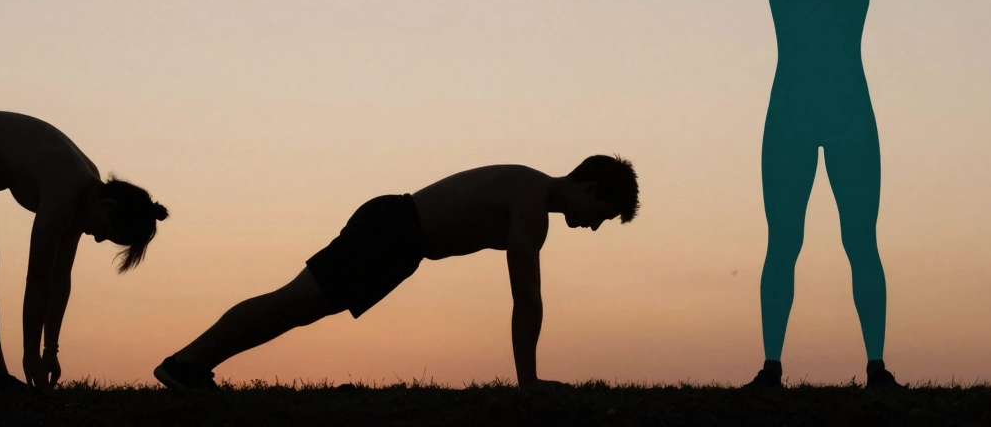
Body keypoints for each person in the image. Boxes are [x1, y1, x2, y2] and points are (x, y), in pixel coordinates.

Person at [695, 0, 940, 389]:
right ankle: (775, 365)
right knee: (787, 242)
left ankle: (875, 365)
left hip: (845, 113)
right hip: (797, 114)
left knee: (859, 241)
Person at [153, 156, 639, 389]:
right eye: (604, 213)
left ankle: (192, 367)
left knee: (296, 310)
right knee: (291, 303)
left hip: (399, 242)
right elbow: (526, 298)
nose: (596, 226)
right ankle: (186, 364)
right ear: (591, 188)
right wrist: (529, 383)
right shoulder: (531, 202)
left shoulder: (531, 193)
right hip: (394, 229)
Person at [0, 110, 168, 392]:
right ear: (108, 206)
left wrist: (50, 350)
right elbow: (38, 278)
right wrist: (31, 355)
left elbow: (59, 277)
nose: (99, 239)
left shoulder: (84, 199)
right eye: (106, 232)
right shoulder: (66, 187)